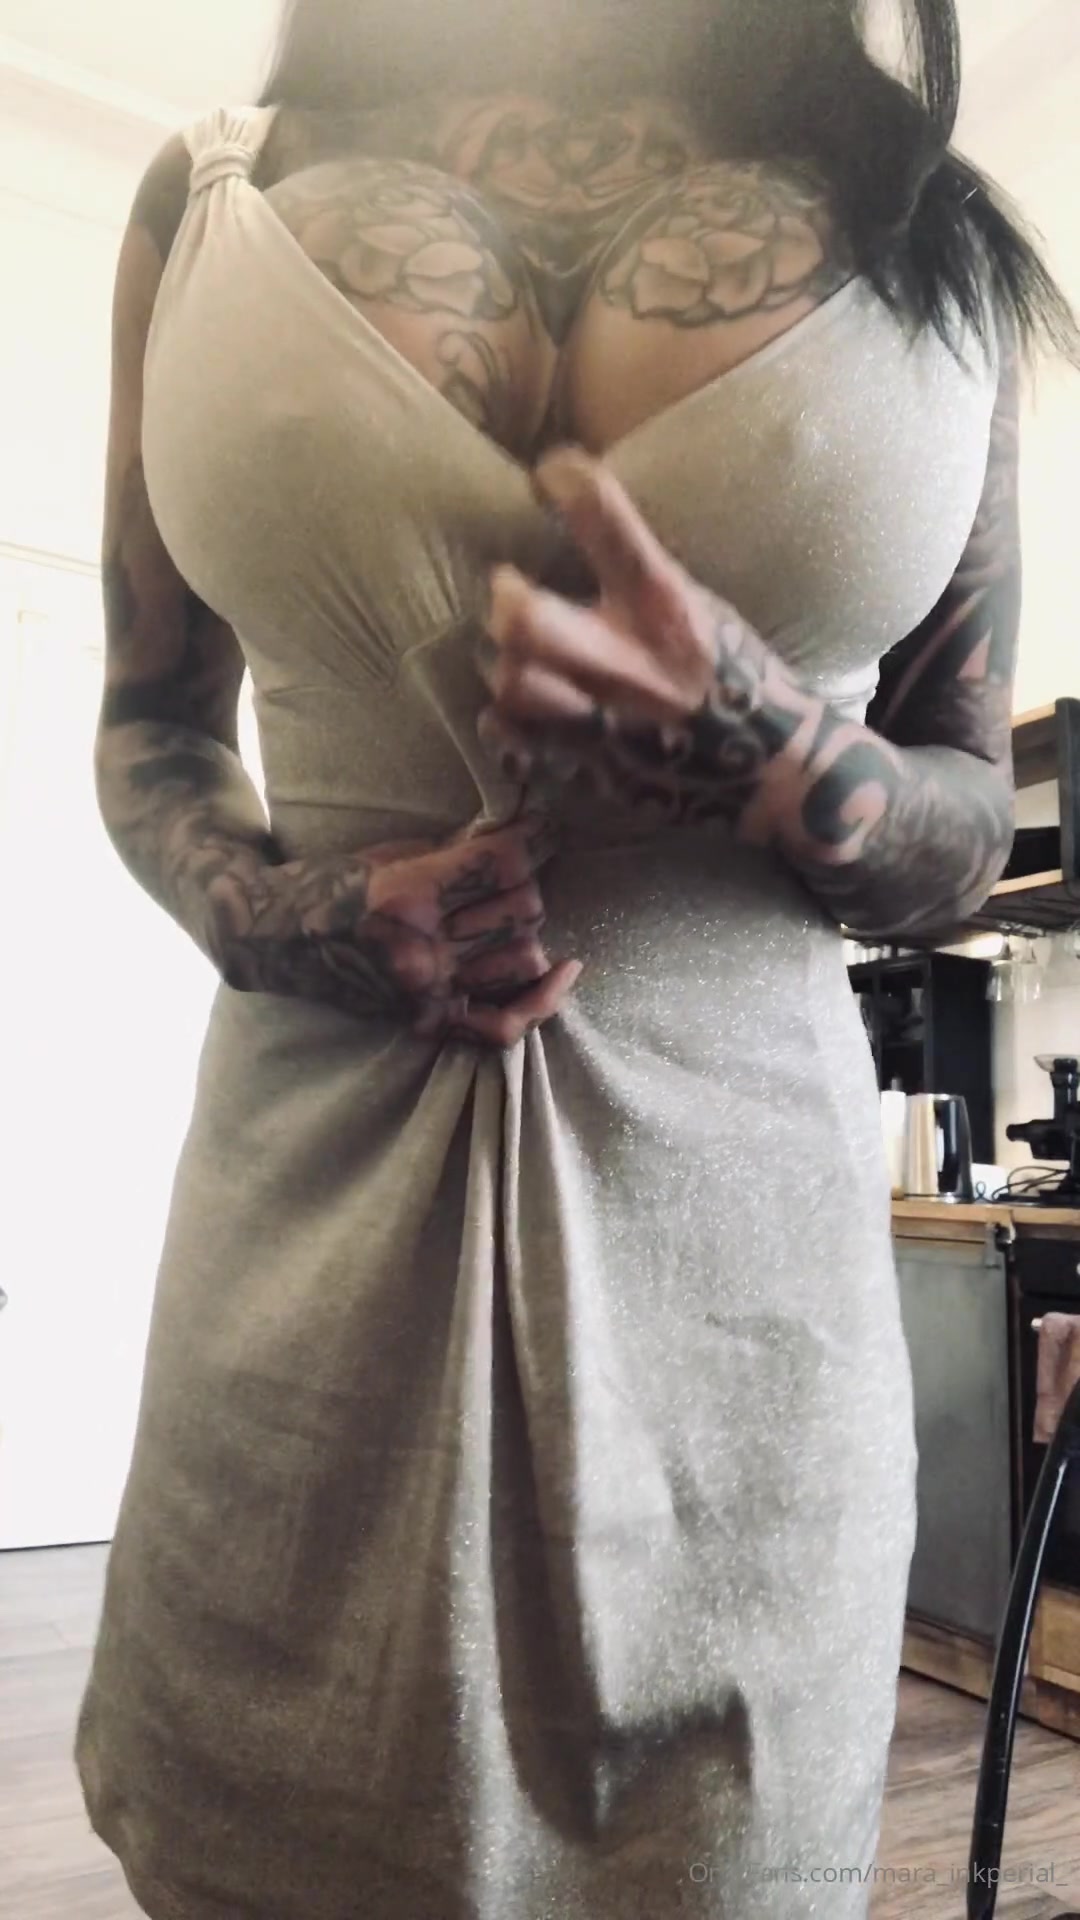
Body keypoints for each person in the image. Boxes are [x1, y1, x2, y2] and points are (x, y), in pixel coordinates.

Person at [77, 1, 1076, 1915]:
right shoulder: (206, 194)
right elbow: (150, 729)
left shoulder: (928, 226)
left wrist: (789, 756)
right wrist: (297, 922)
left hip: (741, 1301)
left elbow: (963, 807)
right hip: (303, 1257)